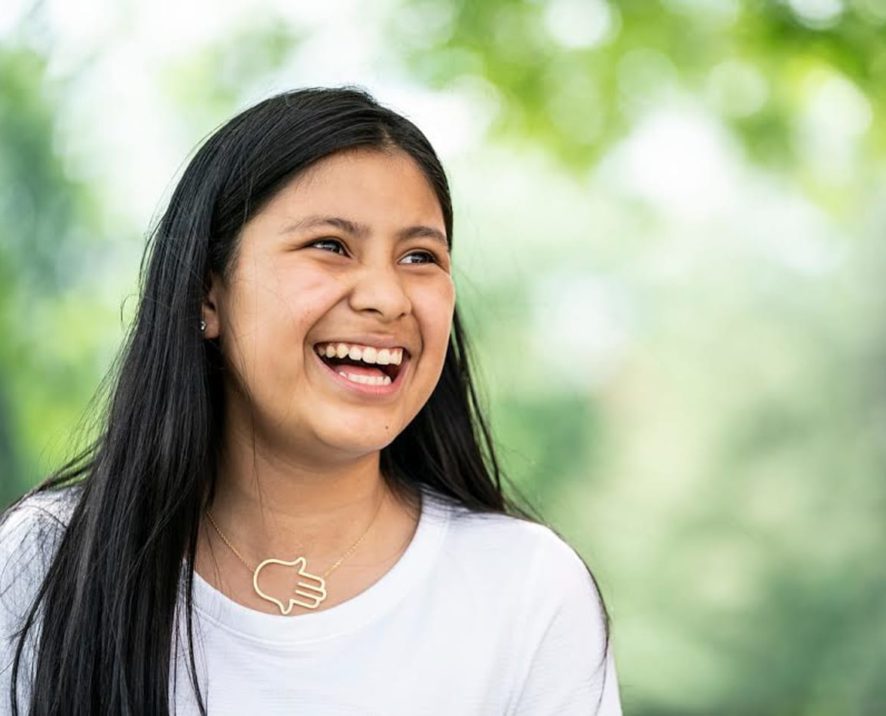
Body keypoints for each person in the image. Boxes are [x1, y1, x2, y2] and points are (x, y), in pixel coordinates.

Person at [0, 87, 622, 715]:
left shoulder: (528, 589)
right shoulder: (47, 564)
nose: (387, 297)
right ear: (206, 294)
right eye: (330, 246)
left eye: (419, 256)